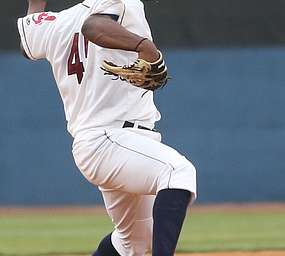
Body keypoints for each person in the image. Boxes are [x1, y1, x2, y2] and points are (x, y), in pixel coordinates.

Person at [17, 0, 197, 255]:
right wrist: (146, 47)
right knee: (178, 172)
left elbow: (27, 45)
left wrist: (36, 4)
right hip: (110, 138)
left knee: (133, 241)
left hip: (110, 144)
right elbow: (94, 25)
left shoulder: (55, 23)